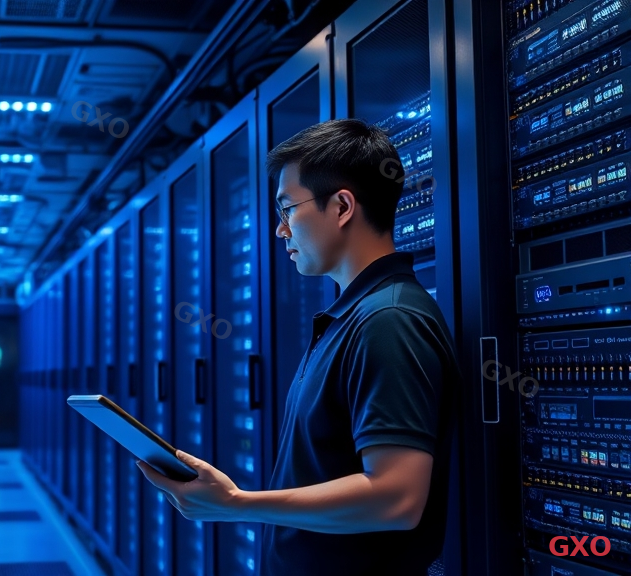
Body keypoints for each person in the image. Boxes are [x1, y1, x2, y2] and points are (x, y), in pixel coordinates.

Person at [137, 118, 459, 575]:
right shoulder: (356, 316)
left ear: (342, 206)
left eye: (288, 208)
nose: (280, 230)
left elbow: (397, 498)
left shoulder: (389, 320)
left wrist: (237, 503)